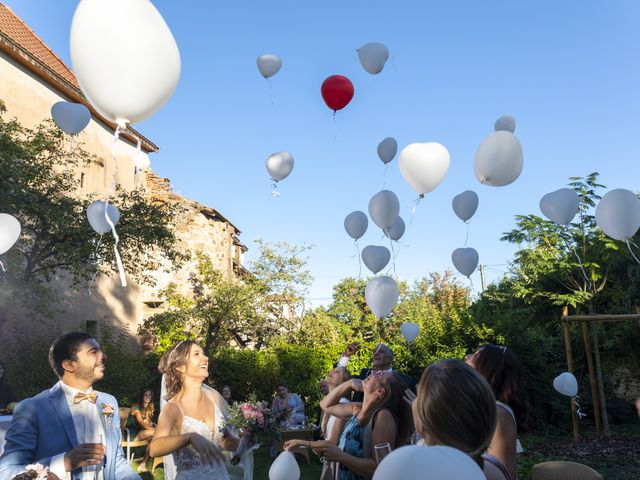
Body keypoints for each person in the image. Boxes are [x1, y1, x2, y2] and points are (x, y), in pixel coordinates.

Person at [0, 332, 140, 480]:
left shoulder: (108, 402)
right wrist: (63, 462)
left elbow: (116, 462)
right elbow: (6, 471)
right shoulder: (33, 409)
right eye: (93, 352)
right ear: (69, 365)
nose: (103, 356)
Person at [149, 340, 240, 480]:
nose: (206, 358)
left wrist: (244, 442)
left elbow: (224, 440)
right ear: (180, 367)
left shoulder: (214, 397)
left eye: (203, 354)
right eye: (197, 354)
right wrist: (189, 438)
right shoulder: (173, 408)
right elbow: (154, 448)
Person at [408, 359, 510, 480]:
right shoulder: (495, 467)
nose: (413, 401)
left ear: (430, 420)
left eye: (419, 395)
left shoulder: (415, 471)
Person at [315, 371, 412, 480]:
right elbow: (325, 405)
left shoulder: (383, 417)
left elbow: (380, 467)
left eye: (379, 374)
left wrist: (341, 456)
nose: (373, 371)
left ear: (380, 391)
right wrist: (349, 384)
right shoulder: (358, 409)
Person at [466, 344, 528, 480]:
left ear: (488, 369)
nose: (467, 358)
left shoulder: (499, 415)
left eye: (475, 356)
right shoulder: (483, 408)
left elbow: (504, 474)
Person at [285, 367, 351, 480]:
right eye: (332, 370)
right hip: (330, 458)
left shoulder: (343, 405)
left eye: (337, 372)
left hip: (337, 462)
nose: (331, 372)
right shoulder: (331, 403)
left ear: (344, 383)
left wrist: (302, 442)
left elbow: (332, 442)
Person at [337, 342, 416, 402]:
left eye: (381, 351)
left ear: (390, 358)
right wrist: (346, 356)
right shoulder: (364, 374)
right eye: (374, 351)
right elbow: (341, 378)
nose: (376, 353)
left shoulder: (407, 381)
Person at [126, 388, 156, 472]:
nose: (148, 397)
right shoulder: (136, 407)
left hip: (140, 433)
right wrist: (156, 429)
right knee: (156, 433)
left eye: (150, 395)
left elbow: (148, 423)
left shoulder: (146, 409)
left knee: (154, 439)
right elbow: (142, 424)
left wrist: (151, 424)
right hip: (131, 434)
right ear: (142, 396)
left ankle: (143, 463)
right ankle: (143, 464)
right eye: (146, 395)